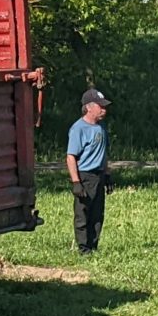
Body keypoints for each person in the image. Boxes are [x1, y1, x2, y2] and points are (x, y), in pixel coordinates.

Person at [65, 88, 110, 253]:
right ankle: (83, 249)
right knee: (83, 214)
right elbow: (71, 157)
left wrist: (107, 174)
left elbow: (104, 153)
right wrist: (76, 182)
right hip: (85, 175)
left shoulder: (101, 128)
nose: (104, 110)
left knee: (97, 215)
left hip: (99, 175)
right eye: (101, 106)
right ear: (89, 107)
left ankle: (94, 246)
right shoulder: (79, 128)